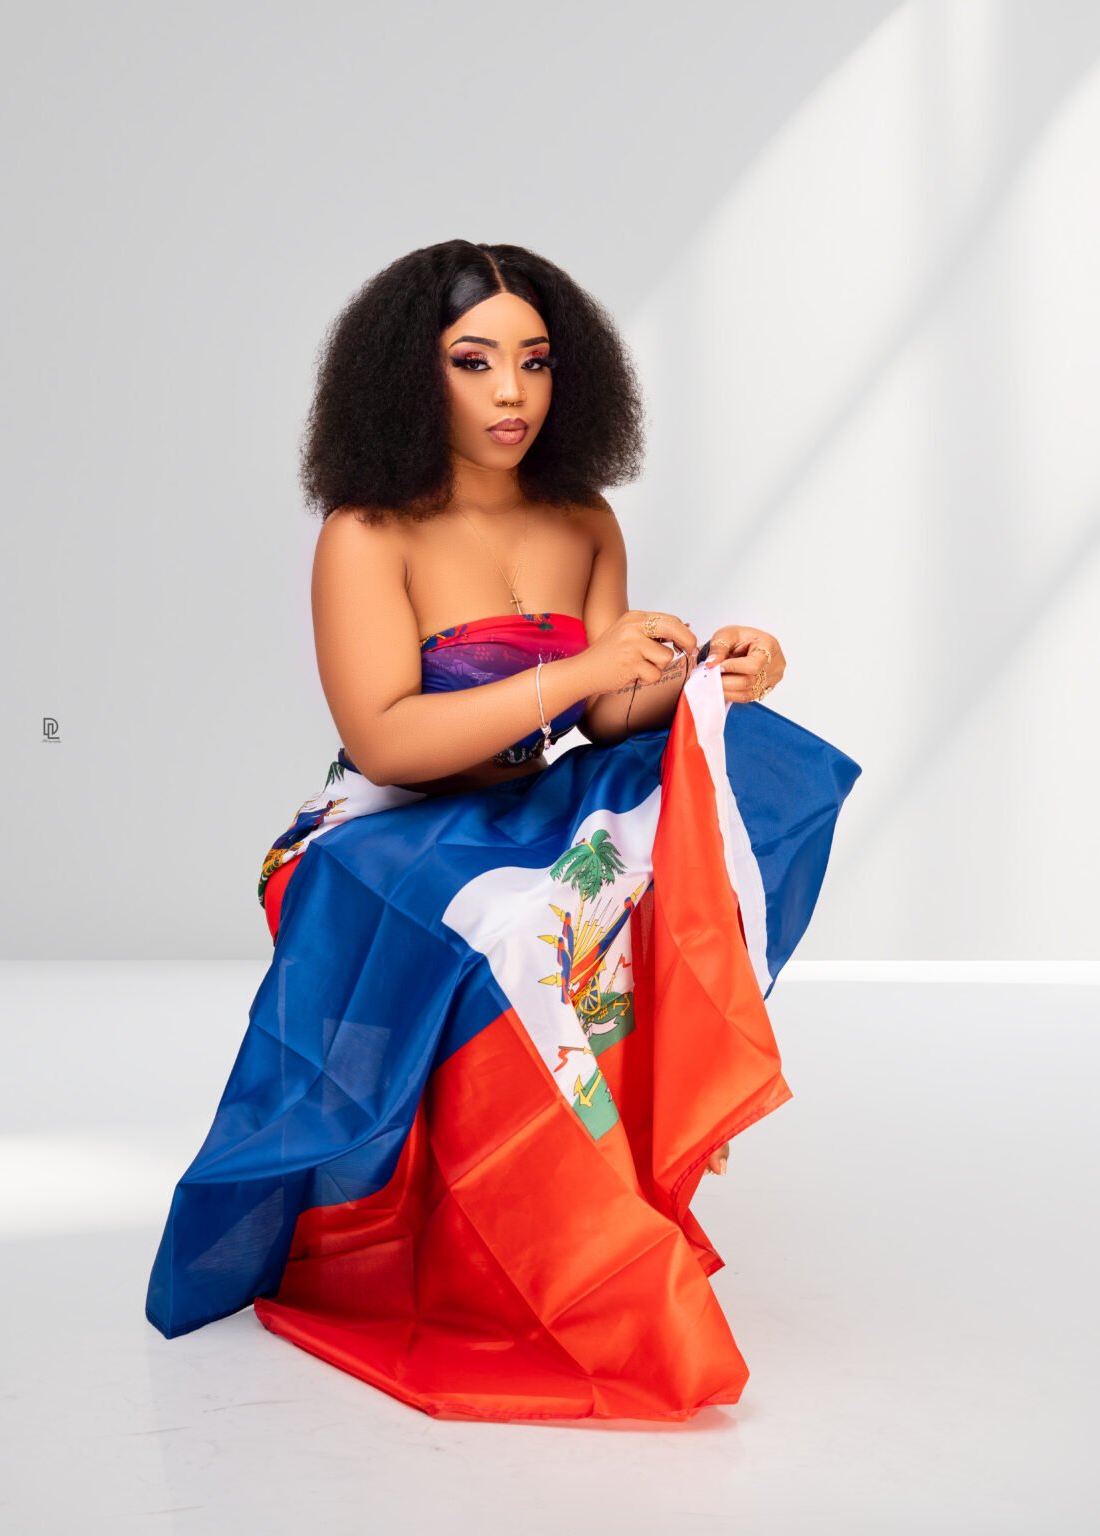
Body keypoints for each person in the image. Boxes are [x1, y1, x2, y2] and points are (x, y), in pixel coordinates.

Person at [145, 240, 862, 1423]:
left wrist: (706, 676)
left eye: (534, 361)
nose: (511, 393)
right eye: (474, 362)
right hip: (377, 831)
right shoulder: (366, 533)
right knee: (519, 931)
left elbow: (606, 715)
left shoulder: (583, 519)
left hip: (516, 806)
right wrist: (581, 668)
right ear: (410, 376)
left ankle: (597, 1194)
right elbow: (384, 738)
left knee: (690, 816)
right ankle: (542, 1236)